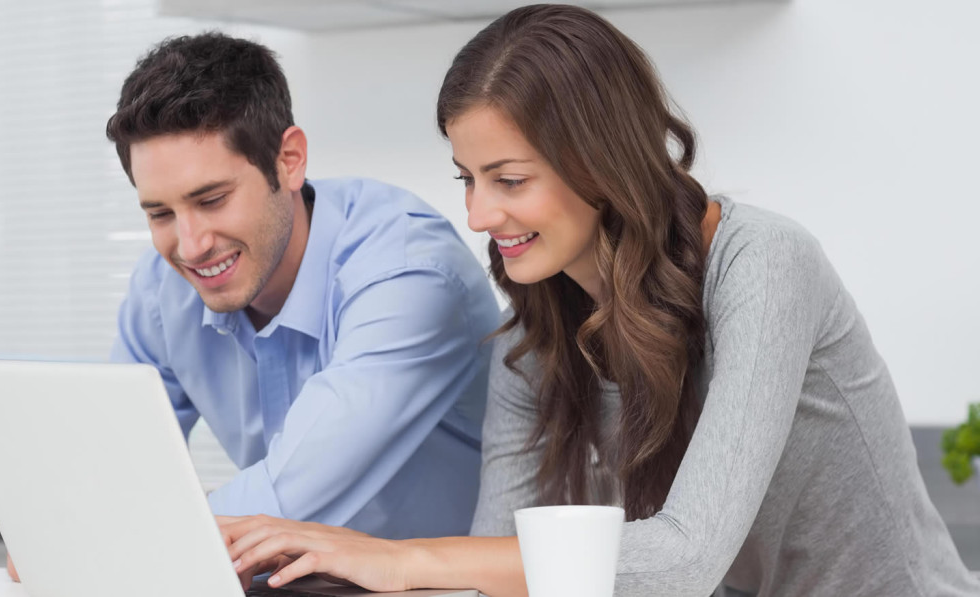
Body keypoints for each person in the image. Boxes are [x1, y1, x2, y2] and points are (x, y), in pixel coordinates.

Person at [219, 5, 980, 597]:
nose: (479, 215)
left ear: (601, 161)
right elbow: (500, 559)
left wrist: (403, 559)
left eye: (509, 180)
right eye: (467, 179)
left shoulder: (764, 262)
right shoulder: (539, 336)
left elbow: (684, 556)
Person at [102, 33, 500, 539]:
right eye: (160, 212)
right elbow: (113, 471)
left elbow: (285, 499)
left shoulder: (407, 271)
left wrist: (98, 535)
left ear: (288, 160)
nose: (191, 245)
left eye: (212, 200)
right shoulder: (162, 289)